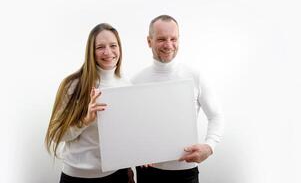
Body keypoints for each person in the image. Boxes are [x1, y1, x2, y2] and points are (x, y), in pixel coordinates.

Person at [132, 15, 224, 183]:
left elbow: (216, 116)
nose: (168, 45)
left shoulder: (195, 76)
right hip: (148, 173)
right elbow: (130, 126)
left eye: (173, 39)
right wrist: (136, 152)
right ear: (149, 41)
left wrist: (210, 146)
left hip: (185, 174)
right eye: (161, 39)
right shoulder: (136, 81)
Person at [45, 23, 134, 183]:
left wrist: (129, 167)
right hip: (78, 177)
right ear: (91, 52)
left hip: (117, 174)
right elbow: (55, 134)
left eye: (113, 45)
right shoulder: (73, 85)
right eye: (100, 47)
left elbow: (126, 135)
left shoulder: (126, 83)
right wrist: (84, 121)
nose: (108, 52)